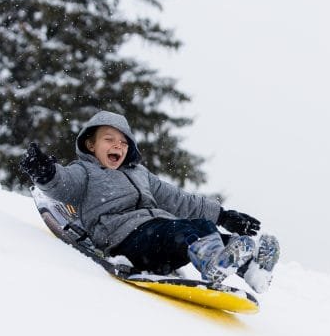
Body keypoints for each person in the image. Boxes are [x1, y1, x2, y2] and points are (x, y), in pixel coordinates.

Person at [20, 110, 279, 292]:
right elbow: (62, 186)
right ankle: (212, 263)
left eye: (123, 142)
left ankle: (252, 267)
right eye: (109, 139)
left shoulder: (140, 174)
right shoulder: (84, 171)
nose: (117, 146)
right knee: (182, 232)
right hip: (123, 239)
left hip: (158, 237)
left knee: (200, 227)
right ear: (90, 145)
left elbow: (178, 199)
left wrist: (223, 216)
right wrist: (46, 172)